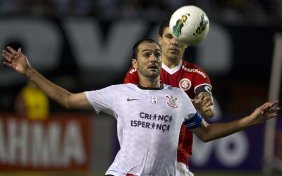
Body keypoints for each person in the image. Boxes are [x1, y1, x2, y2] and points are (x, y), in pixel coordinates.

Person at [2, 39, 280, 176]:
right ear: (134, 64)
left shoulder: (179, 97)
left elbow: (205, 133)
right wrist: (28, 71)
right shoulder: (119, 93)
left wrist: (250, 120)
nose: (153, 58)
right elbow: (66, 99)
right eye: (146, 54)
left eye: (157, 54)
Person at [124, 19, 214, 175]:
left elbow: (206, 103)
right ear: (160, 40)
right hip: (138, 156)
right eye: (169, 37)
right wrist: (187, 105)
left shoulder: (196, 74)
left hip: (177, 158)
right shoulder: (138, 72)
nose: (174, 42)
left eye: (180, 38)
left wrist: (205, 103)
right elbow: (129, 106)